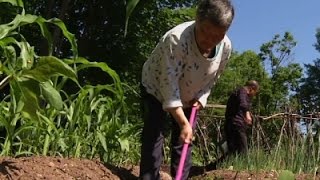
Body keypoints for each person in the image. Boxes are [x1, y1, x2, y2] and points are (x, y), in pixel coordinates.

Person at [139, 0, 235, 179]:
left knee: (183, 141)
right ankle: (148, 177)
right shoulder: (176, 40)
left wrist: (202, 96)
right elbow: (169, 86)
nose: (209, 41)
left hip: (191, 96)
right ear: (197, 21)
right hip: (157, 88)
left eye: (217, 36)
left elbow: (213, 77)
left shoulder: (226, 47)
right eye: (205, 32)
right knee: (155, 131)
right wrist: (184, 123)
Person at [224, 80, 259, 156]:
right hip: (236, 124)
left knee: (232, 150)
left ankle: (214, 167)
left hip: (230, 124)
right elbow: (243, 104)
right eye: (255, 92)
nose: (254, 94)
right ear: (252, 88)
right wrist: (247, 114)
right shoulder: (242, 91)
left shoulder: (239, 92)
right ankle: (244, 166)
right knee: (243, 150)